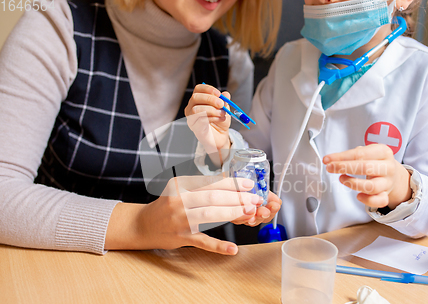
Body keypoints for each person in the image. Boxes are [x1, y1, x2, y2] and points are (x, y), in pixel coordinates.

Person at [0, 0, 282, 255]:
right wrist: (139, 225)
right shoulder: (58, 24)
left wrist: (229, 181)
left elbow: (227, 183)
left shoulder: (231, 60)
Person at [186, 0, 428, 239]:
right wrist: (221, 146)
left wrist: (401, 187)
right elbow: (249, 154)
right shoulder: (289, 58)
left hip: (367, 274)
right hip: (284, 261)